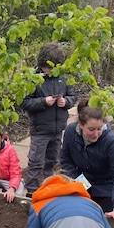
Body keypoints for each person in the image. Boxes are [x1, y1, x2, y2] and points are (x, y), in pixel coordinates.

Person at [60, 98, 114, 221]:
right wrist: (78, 182)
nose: (96, 134)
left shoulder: (110, 142)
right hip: (82, 185)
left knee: (101, 221)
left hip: (106, 189)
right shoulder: (71, 132)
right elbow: (66, 161)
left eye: (99, 129)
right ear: (81, 125)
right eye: (91, 129)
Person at [21, 42, 76, 194]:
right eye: (48, 68)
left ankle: (48, 186)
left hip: (57, 128)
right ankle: (31, 190)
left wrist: (66, 102)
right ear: (42, 64)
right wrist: (43, 102)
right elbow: (24, 102)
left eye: (54, 68)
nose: (51, 71)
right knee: (36, 161)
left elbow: (72, 96)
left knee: (52, 160)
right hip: (40, 129)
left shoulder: (62, 77)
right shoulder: (33, 78)